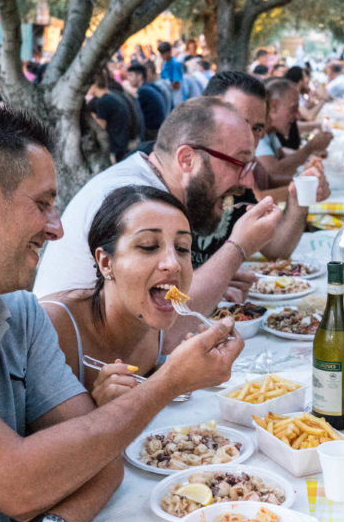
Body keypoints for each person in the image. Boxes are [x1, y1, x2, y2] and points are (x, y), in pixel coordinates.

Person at [0, 106, 243, 522]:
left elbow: (98, 455)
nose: (57, 227)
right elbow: (17, 482)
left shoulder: (18, 312)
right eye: (43, 203)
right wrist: (168, 383)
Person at [33, 96, 283, 347]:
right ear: (187, 159)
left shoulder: (149, 185)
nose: (247, 182)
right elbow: (161, 336)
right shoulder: (132, 199)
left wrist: (216, 282)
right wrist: (237, 248)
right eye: (239, 163)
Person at [41, 186, 197, 406]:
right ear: (105, 263)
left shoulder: (152, 314)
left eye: (182, 248)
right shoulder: (51, 327)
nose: (173, 264)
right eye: (149, 246)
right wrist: (98, 407)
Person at [197, 71, 329, 266]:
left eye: (257, 129)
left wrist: (298, 197)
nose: (249, 140)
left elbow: (276, 249)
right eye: (238, 123)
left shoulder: (240, 174)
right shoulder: (157, 180)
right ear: (204, 117)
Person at [255, 78, 333, 176]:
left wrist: (311, 155)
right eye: (293, 109)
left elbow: (282, 158)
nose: (297, 116)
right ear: (273, 106)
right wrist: (310, 148)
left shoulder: (270, 133)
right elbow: (273, 173)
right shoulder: (257, 136)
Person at [87, 68, 139, 163]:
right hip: (125, 142)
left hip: (116, 147)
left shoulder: (102, 102)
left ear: (94, 84)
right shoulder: (112, 95)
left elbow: (100, 126)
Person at [126, 63, 168, 140]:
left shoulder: (143, 91)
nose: (128, 78)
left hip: (151, 133)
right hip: (161, 129)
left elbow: (135, 114)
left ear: (140, 76)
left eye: (131, 75)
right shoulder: (151, 86)